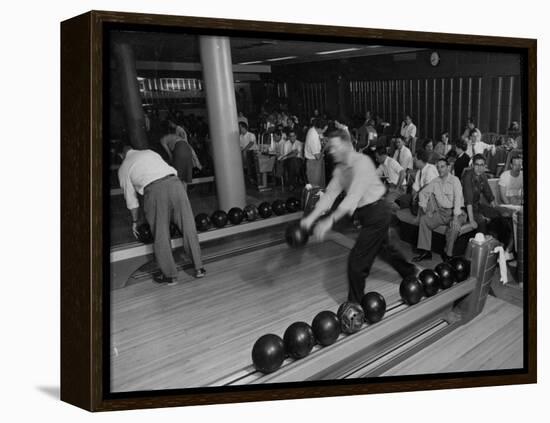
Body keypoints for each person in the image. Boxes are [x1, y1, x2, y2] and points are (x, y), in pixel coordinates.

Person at [300, 129, 417, 303]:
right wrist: (311, 217)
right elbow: (330, 195)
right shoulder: (341, 169)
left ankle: (355, 306)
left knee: (356, 263)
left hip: (378, 212)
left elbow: (353, 196)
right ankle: (410, 272)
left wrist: (329, 221)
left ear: (347, 145)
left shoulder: (362, 163)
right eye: (329, 147)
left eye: (335, 147)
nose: (331, 151)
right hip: (367, 214)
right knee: (384, 249)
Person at [118, 146, 205, 284]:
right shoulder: (149, 152)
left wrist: (135, 221)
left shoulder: (124, 167)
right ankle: (199, 268)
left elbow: (132, 201)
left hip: (155, 190)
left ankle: (170, 276)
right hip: (176, 184)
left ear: (121, 155)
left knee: (161, 233)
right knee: (188, 226)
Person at [413, 157, 467, 262]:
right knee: (424, 220)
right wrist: (424, 207)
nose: (440, 169)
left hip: (458, 213)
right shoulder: (435, 181)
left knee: (454, 227)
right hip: (442, 213)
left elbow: (457, 201)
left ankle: (448, 255)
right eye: (438, 167)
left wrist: (455, 218)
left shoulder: (455, 181)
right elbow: (422, 193)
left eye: (442, 167)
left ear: (448, 167)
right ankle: (426, 252)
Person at [461, 154, 498, 234]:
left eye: (481, 165)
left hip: (477, 206)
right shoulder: (468, 177)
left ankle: (494, 241)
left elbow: (488, 194)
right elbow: (469, 201)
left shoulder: (483, 175)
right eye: (477, 165)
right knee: (482, 221)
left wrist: (495, 208)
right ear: (472, 165)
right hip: (466, 209)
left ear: (485, 166)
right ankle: (482, 243)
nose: (479, 168)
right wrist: (471, 220)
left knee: (496, 214)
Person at [304, 118, 328, 187]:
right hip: (314, 163)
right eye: (324, 129)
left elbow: (320, 137)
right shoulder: (313, 137)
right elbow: (317, 156)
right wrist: (325, 147)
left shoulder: (313, 129)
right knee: (315, 187)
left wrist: (324, 139)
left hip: (317, 161)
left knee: (321, 185)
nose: (325, 131)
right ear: (320, 128)